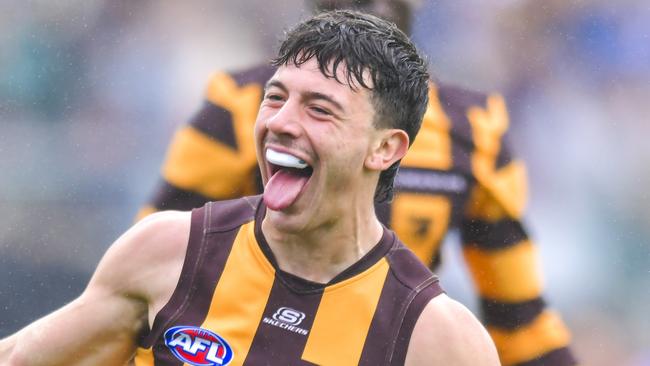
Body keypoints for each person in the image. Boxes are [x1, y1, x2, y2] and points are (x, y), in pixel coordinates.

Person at [0, 10, 499, 366]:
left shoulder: (436, 336)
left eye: (319, 109)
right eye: (275, 98)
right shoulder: (170, 252)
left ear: (386, 149)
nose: (280, 121)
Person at [137, 1, 576, 365]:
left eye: (321, 110)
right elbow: (150, 272)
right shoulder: (241, 103)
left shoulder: (475, 129)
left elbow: (521, 322)